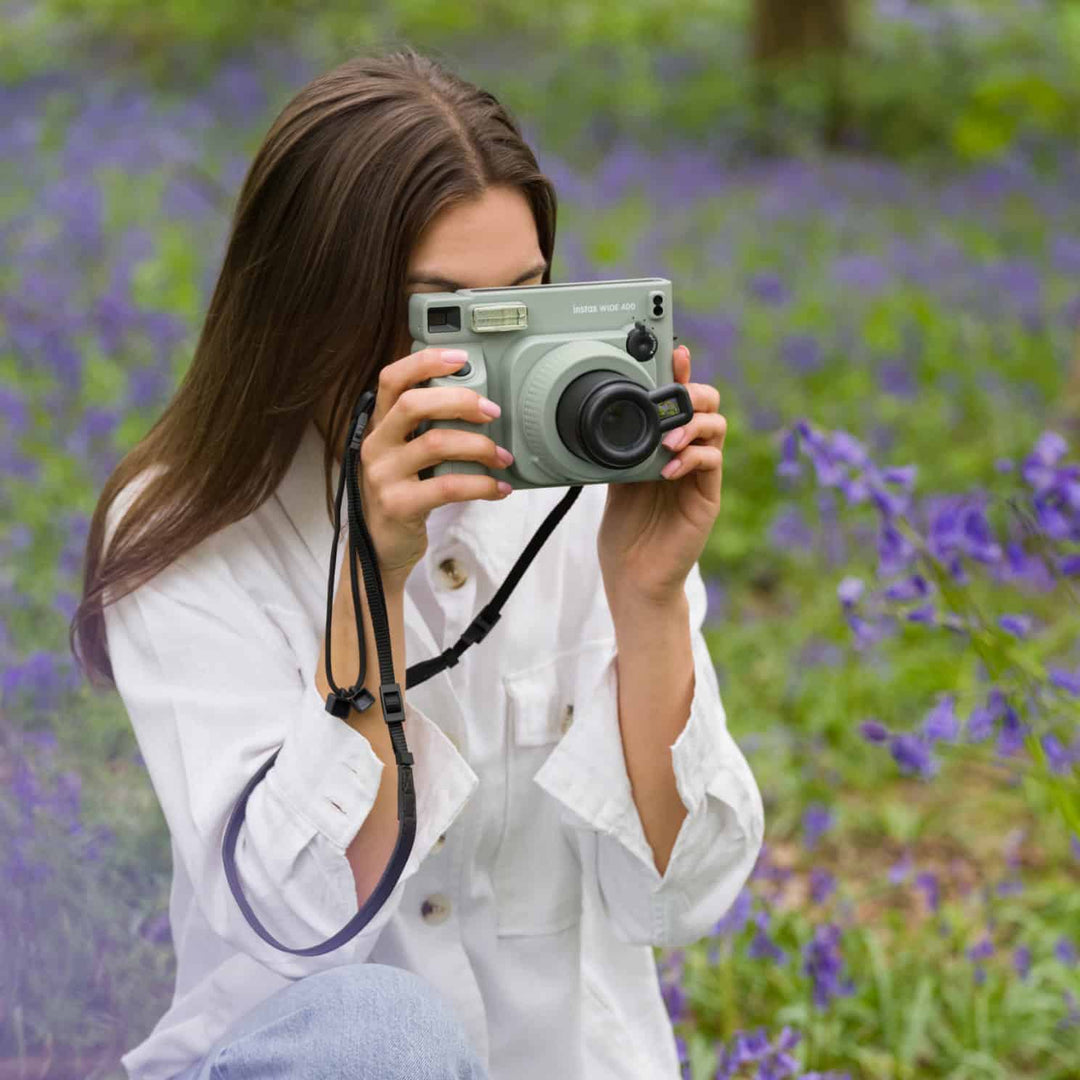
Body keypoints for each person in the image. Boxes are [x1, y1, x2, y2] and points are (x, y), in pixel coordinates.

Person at [72, 46, 765, 1080]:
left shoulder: (584, 500)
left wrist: (649, 594)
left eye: (524, 307)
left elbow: (677, 901)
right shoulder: (186, 528)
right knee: (384, 1032)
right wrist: (371, 577)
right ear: (307, 310)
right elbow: (298, 929)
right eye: (444, 320)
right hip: (310, 1060)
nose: (490, 375)